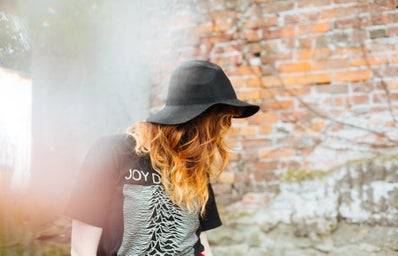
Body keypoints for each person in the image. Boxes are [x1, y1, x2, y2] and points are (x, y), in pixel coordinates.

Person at [65, 60, 260, 256]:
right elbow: (82, 249)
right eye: (221, 120)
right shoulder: (112, 151)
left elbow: (199, 239)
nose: (223, 130)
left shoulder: (194, 163)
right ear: (199, 119)